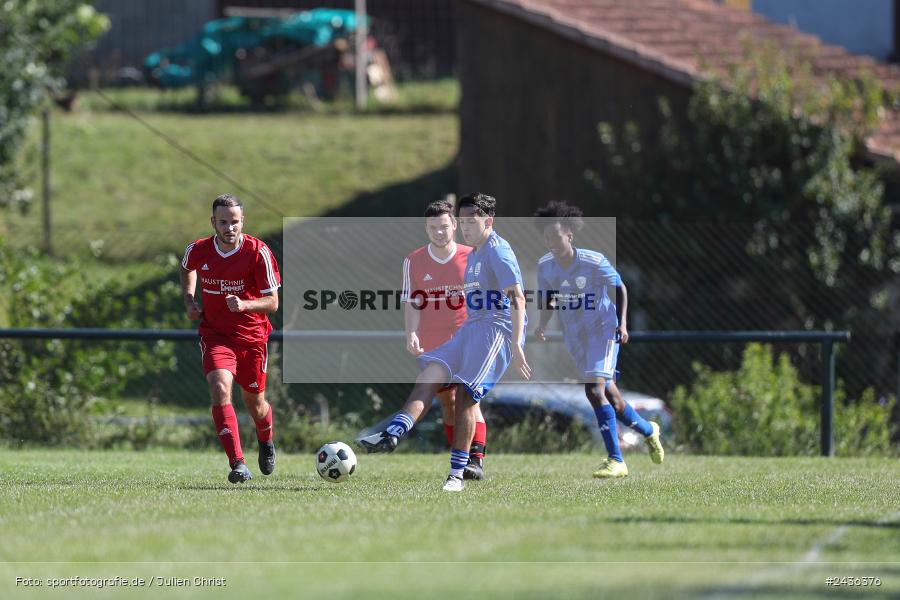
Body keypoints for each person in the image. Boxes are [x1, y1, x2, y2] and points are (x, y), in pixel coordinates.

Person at [360, 193, 531, 492]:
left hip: (495, 330)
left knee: (466, 396)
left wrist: (516, 343)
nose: (465, 228)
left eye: (470, 222)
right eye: (463, 222)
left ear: (488, 221)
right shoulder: (476, 251)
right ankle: (393, 434)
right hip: (472, 329)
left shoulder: (497, 251)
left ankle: (457, 474)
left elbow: (517, 298)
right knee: (429, 377)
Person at [533, 201, 663, 478]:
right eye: (547, 237)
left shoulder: (593, 261)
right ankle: (649, 430)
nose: (552, 242)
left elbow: (620, 288)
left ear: (569, 235)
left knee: (593, 391)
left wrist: (623, 323)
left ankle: (616, 460)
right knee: (613, 399)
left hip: (603, 331)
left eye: (556, 236)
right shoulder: (545, 266)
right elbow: (548, 299)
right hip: (575, 336)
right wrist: (542, 324)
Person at [180, 194, 281, 484]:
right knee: (219, 387)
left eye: (234, 222)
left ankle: (266, 440)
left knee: (255, 403)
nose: (229, 228)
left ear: (242, 221)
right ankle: (237, 463)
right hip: (216, 335)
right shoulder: (198, 250)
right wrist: (189, 301)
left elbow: (273, 302)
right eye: (223, 222)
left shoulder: (257, 252)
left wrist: (246, 304)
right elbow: (188, 267)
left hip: (251, 338)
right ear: (213, 222)